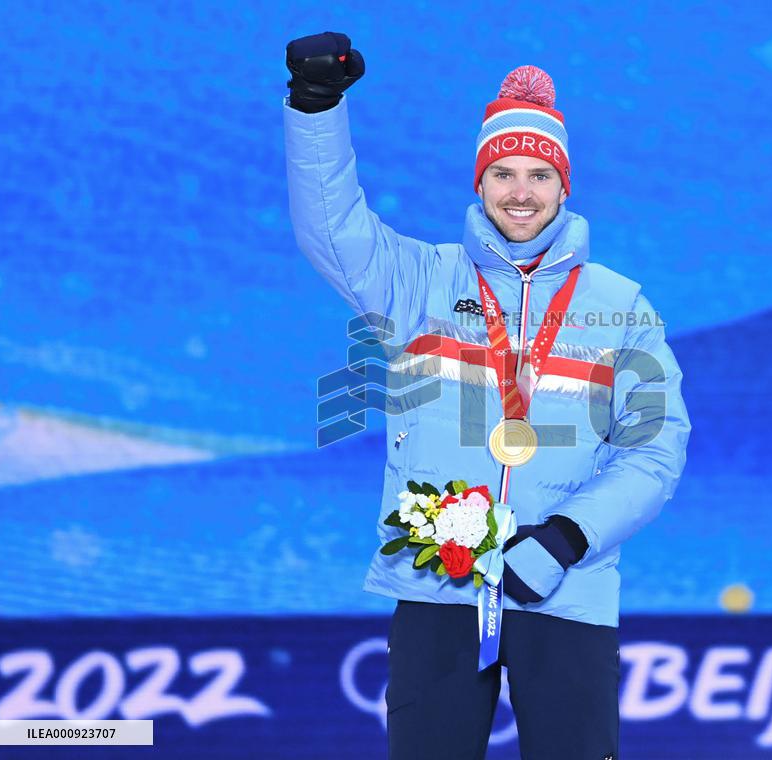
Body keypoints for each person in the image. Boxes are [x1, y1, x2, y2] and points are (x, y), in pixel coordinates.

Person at [282, 31, 691, 760]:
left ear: (565, 186)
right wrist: (317, 108)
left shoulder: (621, 306)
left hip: (566, 589)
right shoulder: (418, 282)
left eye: (539, 174)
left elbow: (655, 449)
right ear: (480, 184)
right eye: (503, 173)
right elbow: (331, 228)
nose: (521, 193)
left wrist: (567, 538)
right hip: (439, 581)